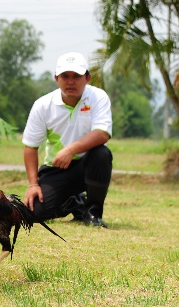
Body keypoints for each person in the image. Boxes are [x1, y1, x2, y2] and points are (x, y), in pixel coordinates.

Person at [22, 52, 112, 228]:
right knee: (34, 213)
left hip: (87, 164)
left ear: (87, 78)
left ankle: (93, 212)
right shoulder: (43, 105)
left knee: (102, 153)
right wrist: (33, 184)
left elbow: (102, 133)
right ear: (56, 78)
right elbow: (30, 147)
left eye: (77, 76)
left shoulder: (98, 97)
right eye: (65, 76)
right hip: (56, 168)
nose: (71, 81)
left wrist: (71, 150)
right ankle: (75, 203)